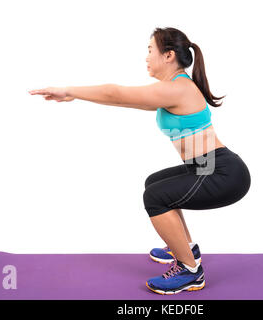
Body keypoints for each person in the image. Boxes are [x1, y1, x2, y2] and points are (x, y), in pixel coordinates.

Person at [29, 27, 251, 295]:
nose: (146, 56)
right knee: (155, 183)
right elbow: (123, 100)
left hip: (223, 173)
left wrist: (70, 91)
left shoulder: (178, 89)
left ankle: (190, 271)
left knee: (156, 197)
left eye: (149, 50)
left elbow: (116, 94)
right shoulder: (175, 87)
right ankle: (183, 246)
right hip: (207, 166)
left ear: (168, 55)